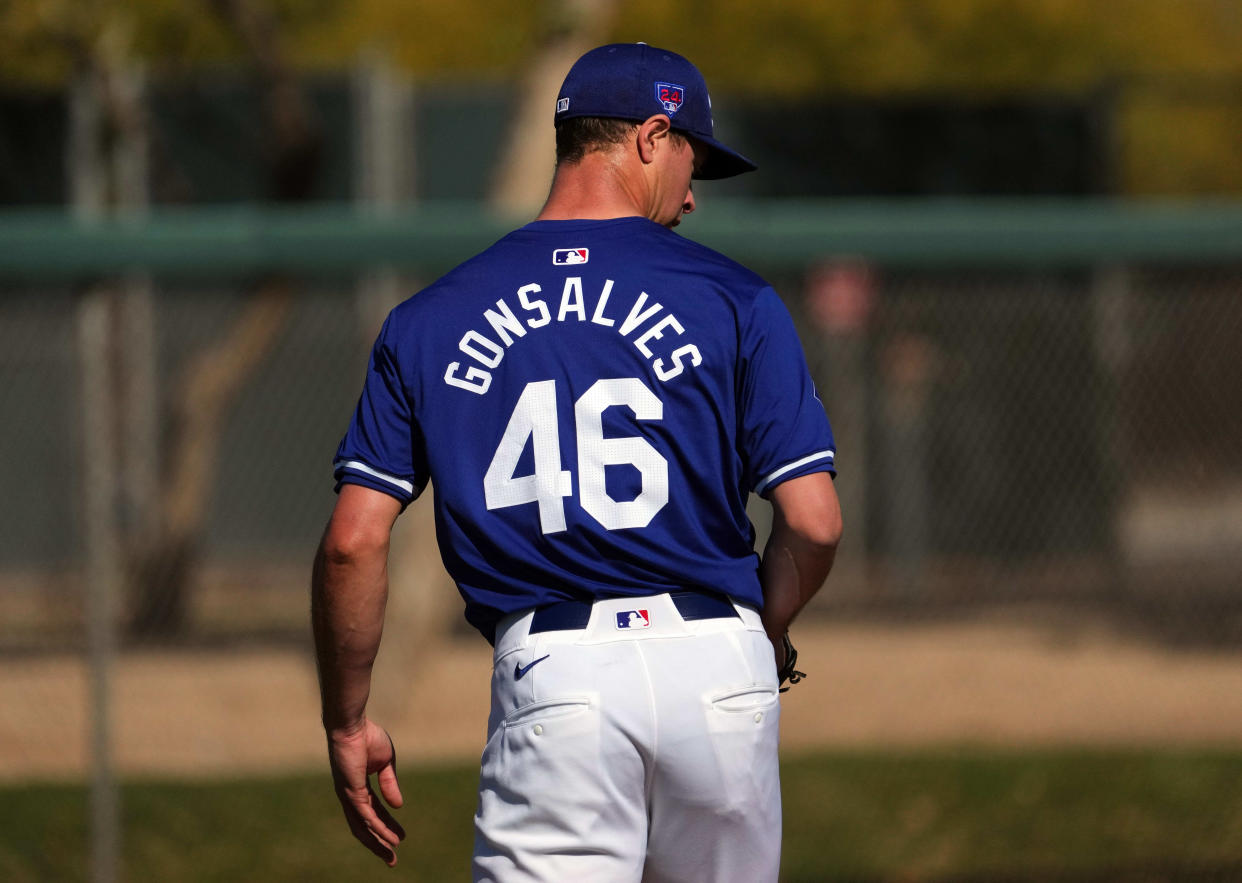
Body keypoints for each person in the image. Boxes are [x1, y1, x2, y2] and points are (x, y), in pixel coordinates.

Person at [312, 42, 843, 882]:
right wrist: (764, 631)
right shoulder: (737, 297)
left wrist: (347, 720)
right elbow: (813, 521)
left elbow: (352, 540)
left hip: (558, 677)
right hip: (720, 667)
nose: (693, 192)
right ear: (649, 136)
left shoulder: (429, 317)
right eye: (690, 158)